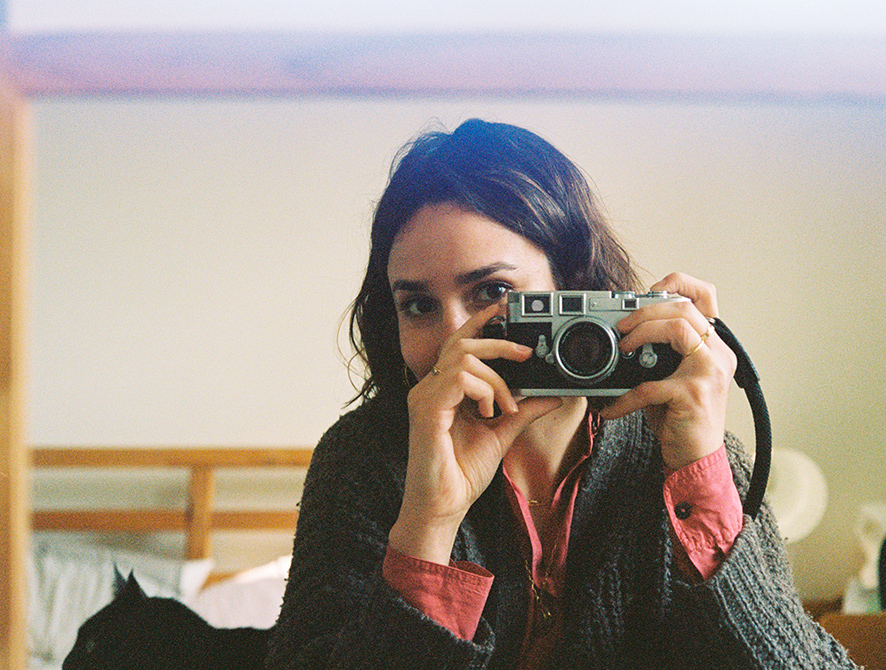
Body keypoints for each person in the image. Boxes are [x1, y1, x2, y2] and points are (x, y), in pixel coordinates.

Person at [266, 119, 855, 669]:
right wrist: (428, 524)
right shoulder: (365, 460)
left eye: (490, 292)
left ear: (573, 285)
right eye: (418, 305)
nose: (455, 342)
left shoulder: (682, 456)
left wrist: (702, 480)